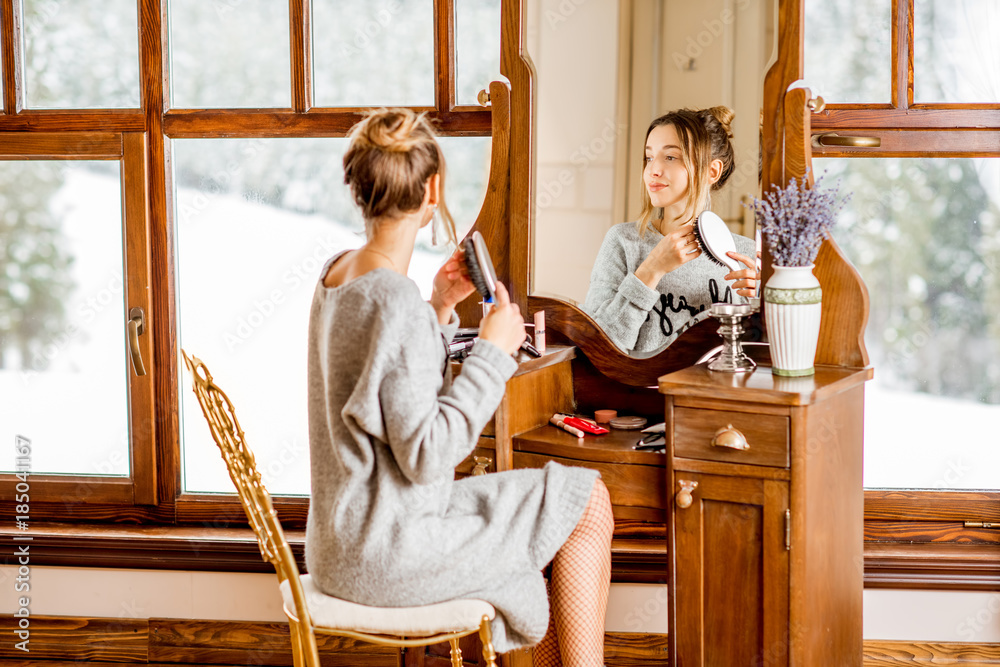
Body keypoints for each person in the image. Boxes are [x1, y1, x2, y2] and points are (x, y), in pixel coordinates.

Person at [305, 108, 613, 667]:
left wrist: (439, 306)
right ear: (433, 190)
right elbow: (428, 456)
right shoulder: (393, 303)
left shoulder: (341, 273)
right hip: (387, 553)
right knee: (587, 501)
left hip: (343, 541)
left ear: (361, 186)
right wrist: (493, 355)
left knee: (550, 513)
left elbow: (385, 375)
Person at [583, 107, 759, 353]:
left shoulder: (744, 255)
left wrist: (759, 304)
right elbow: (597, 349)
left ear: (712, 171)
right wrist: (650, 270)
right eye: (649, 157)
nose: (653, 170)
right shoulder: (623, 241)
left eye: (670, 157)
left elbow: (758, 353)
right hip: (639, 390)